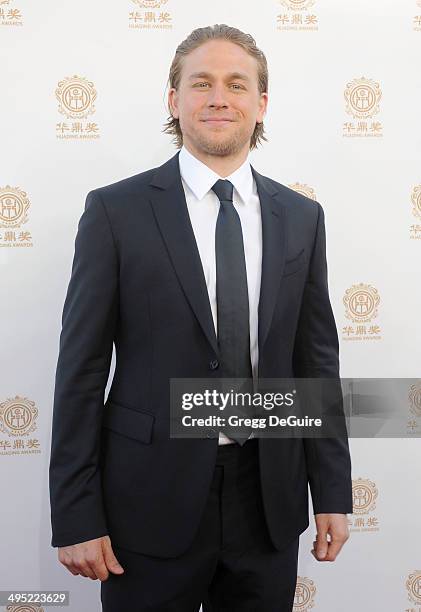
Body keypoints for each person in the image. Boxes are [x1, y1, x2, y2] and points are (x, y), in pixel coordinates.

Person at [49, 23, 353, 612]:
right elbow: (81, 371)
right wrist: (76, 512)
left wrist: (332, 492)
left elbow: (315, 364)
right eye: (201, 83)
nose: (219, 97)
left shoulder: (302, 218)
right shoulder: (115, 212)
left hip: (267, 499)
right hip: (145, 499)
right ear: (174, 100)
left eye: (237, 85)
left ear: (261, 104)